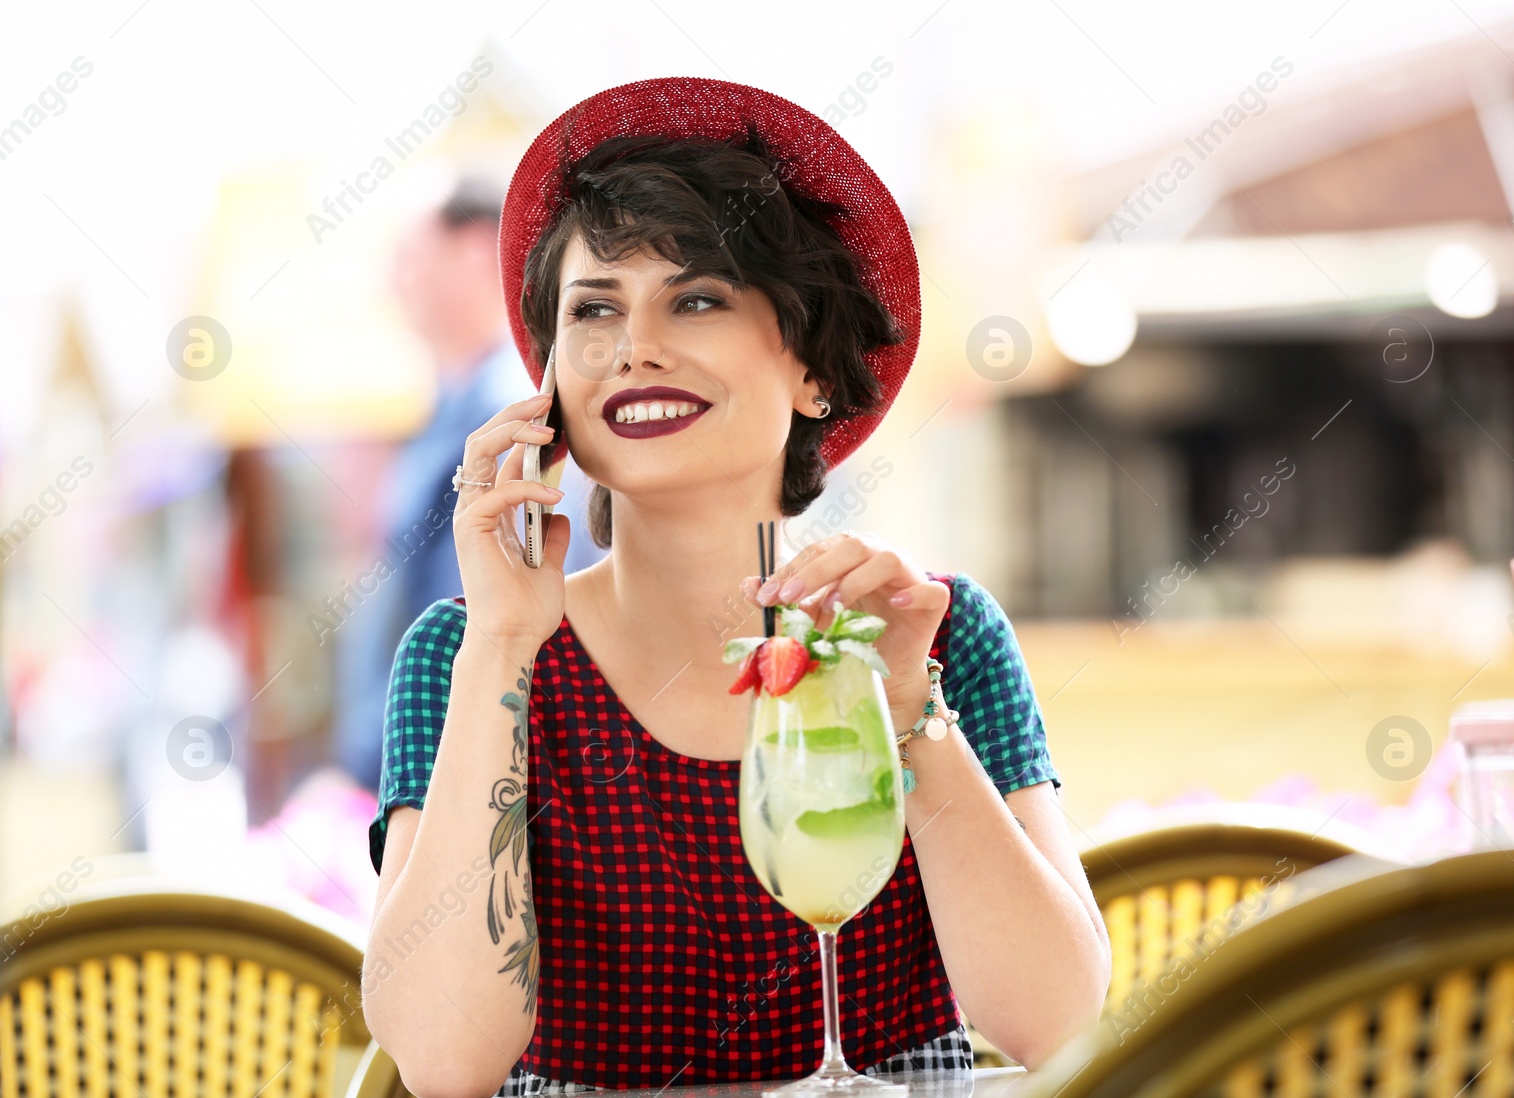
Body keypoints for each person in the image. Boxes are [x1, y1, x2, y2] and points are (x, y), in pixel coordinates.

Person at [361, 79, 1111, 1097]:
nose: (635, 346)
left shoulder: (932, 630)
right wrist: (501, 640)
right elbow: (446, 1064)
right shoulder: (467, 652)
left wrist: (910, 712)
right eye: (593, 310)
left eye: (699, 297)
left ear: (812, 369)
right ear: (549, 388)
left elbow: (1056, 1023)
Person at [332, 176, 605, 794]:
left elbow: (484, 605)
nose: (392, 283)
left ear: (476, 252)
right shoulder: (445, 409)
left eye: (408, 259)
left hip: (463, 755)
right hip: (416, 751)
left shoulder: (510, 413)